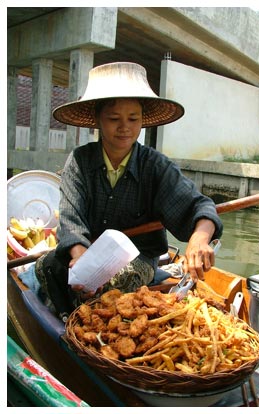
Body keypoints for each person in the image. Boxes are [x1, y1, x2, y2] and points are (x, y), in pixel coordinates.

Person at [35, 62, 223, 321]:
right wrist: (82, 259)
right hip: (87, 253)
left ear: (143, 120)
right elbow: (70, 219)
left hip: (138, 257)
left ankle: (97, 330)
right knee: (46, 267)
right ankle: (68, 320)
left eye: (133, 118)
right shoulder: (80, 161)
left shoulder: (155, 166)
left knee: (114, 283)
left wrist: (200, 238)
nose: (124, 127)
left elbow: (199, 207)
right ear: (98, 120)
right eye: (114, 119)